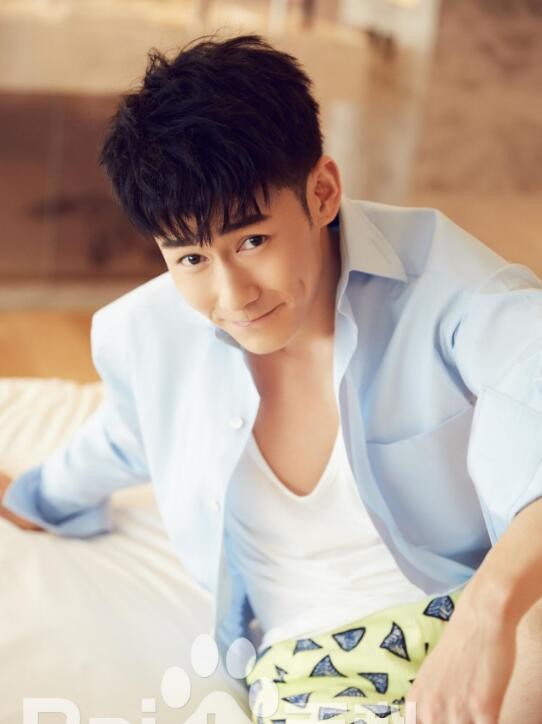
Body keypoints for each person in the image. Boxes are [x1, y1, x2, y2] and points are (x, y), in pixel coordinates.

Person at [2, 33, 542, 723]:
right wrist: (34, 497)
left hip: (485, 611)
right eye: (191, 259)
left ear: (323, 192)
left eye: (252, 241)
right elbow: (124, 437)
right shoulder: (148, 341)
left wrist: (489, 614)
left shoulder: (454, 288)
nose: (233, 296)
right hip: (315, 671)